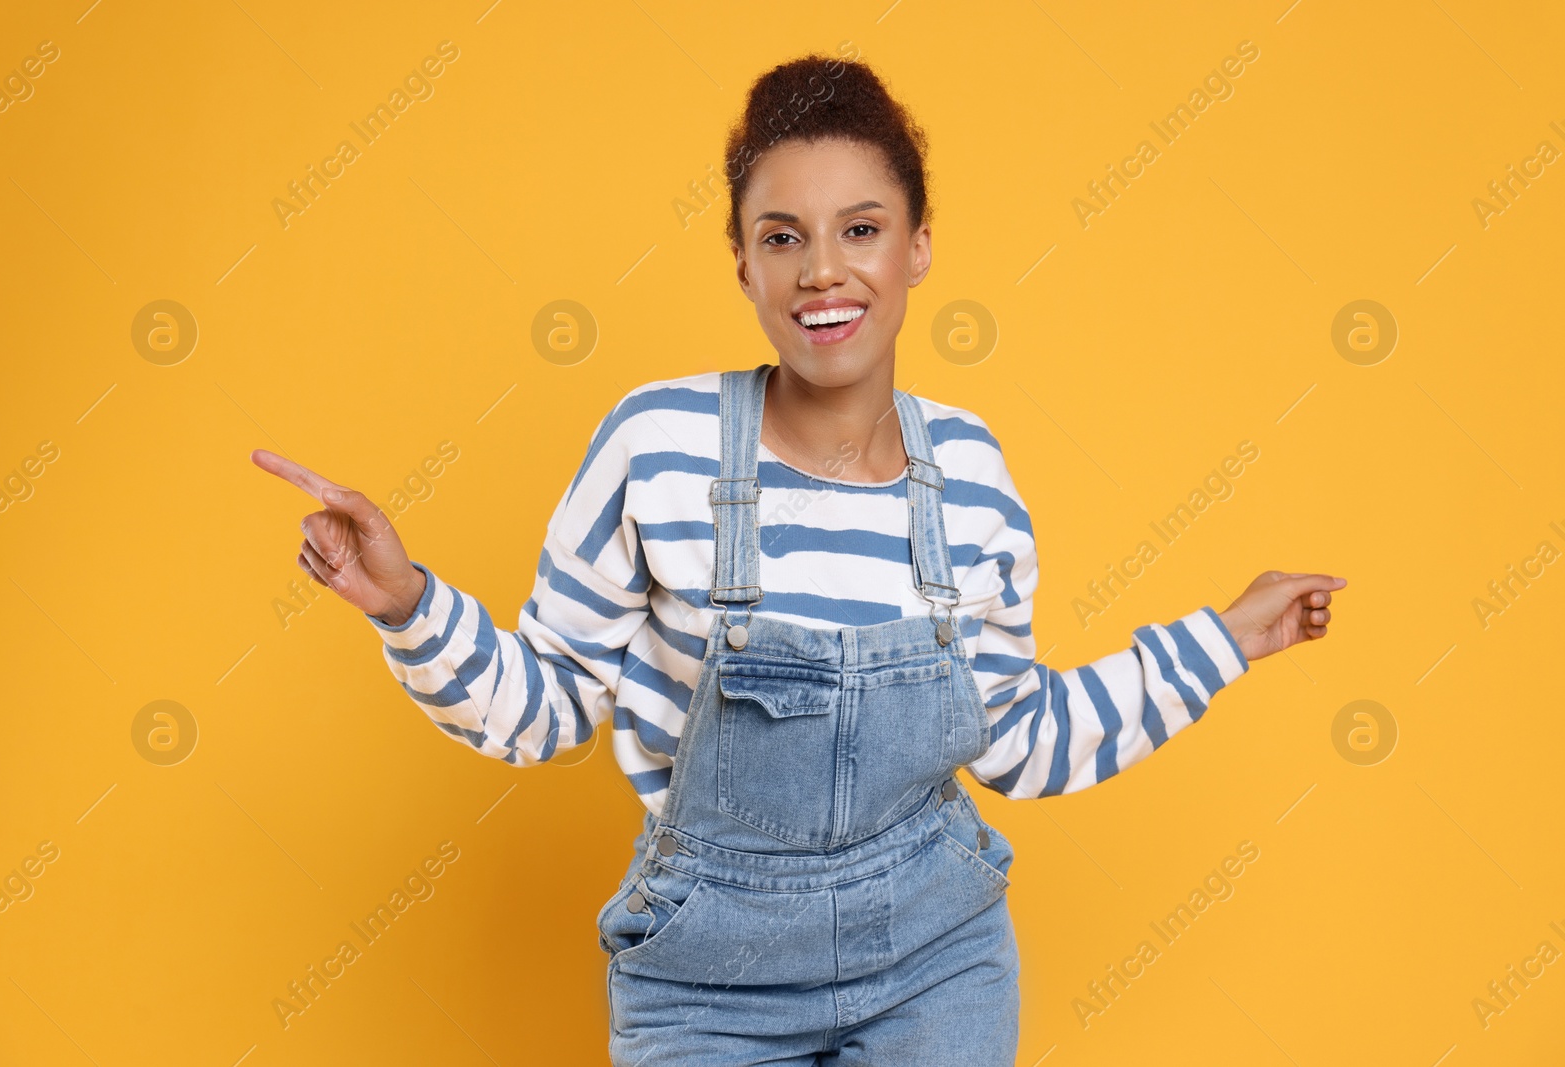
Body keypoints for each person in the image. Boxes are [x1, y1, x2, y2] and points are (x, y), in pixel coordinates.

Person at [252, 53, 1345, 1066]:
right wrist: (405, 604)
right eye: (782, 237)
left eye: (860, 228)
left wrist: (1227, 637)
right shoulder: (657, 445)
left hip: (935, 962)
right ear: (741, 261)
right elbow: (541, 712)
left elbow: (1017, 741)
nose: (823, 271)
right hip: (705, 983)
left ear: (917, 243)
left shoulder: (968, 470)